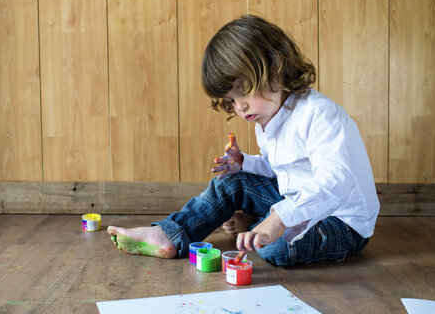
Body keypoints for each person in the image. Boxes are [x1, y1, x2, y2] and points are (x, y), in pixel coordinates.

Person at [107, 15, 380, 266]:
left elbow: (336, 182)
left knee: (274, 249)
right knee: (230, 181)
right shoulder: (265, 117)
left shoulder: (318, 113)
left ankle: (257, 223)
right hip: (292, 201)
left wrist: (277, 220)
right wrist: (245, 163)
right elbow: (280, 170)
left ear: (276, 67)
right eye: (232, 100)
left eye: (244, 92)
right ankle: (170, 234)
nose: (240, 108)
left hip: (341, 223)